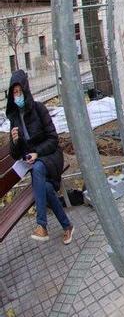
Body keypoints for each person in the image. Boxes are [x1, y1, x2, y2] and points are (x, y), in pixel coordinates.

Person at [6, 70, 74, 244]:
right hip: (35, 164)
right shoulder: (14, 119)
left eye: (20, 91)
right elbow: (15, 154)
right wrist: (15, 142)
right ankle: (67, 226)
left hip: (51, 156)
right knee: (45, 188)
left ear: (26, 91)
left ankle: (41, 225)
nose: (17, 95)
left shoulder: (39, 109)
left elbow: (53, 139)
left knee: (37, 168)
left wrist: (37, 153)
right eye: (14, 93)